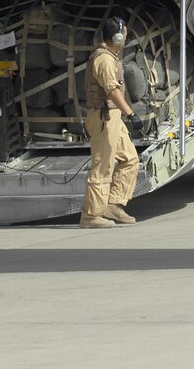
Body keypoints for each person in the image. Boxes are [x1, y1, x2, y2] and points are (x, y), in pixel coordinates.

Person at [80, 16, 142, 228]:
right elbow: (112, 90)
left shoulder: (110, 57)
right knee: (102, 166)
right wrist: (131, 114)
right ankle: (90, 215)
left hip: (112, 116)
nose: (125, 40)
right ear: (116, 37)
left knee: (130, 159)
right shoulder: (104, 60)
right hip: (104, 118)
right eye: (124, 36)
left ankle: (113, 203)